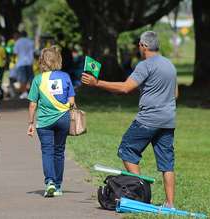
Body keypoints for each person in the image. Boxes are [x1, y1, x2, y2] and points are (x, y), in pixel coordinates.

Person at [81, 31, 178, 208]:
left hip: (148, 119)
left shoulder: (145, 65)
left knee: (127, 150)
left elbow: (125, 88)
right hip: (168, 120)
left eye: (139, 45)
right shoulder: (170, 65)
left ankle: (140, 193)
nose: (138, 48)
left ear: (144, 46)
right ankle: (170, 203)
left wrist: (97, 83)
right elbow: (176, 93)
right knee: (167, 163)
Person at [27, 46, 75, 197]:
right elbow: (72, 101)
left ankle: (50, 182)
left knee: (47, 151)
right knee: (59, 152)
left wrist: (30, 123)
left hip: (45, 122)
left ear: (42, 61)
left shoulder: (38, 79)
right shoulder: (66, 77)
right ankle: (59, 186)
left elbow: (33, 103)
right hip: (63, 119)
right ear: (58, 60)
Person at [14, 31, 34, 99]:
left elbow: (15, 53)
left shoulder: (18, 42)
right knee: (31, 79)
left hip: (21, 63)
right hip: (29, 62)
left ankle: (24, 93)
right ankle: (32, 93)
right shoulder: (30, 41)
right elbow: (33, 52)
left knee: (22, 80)